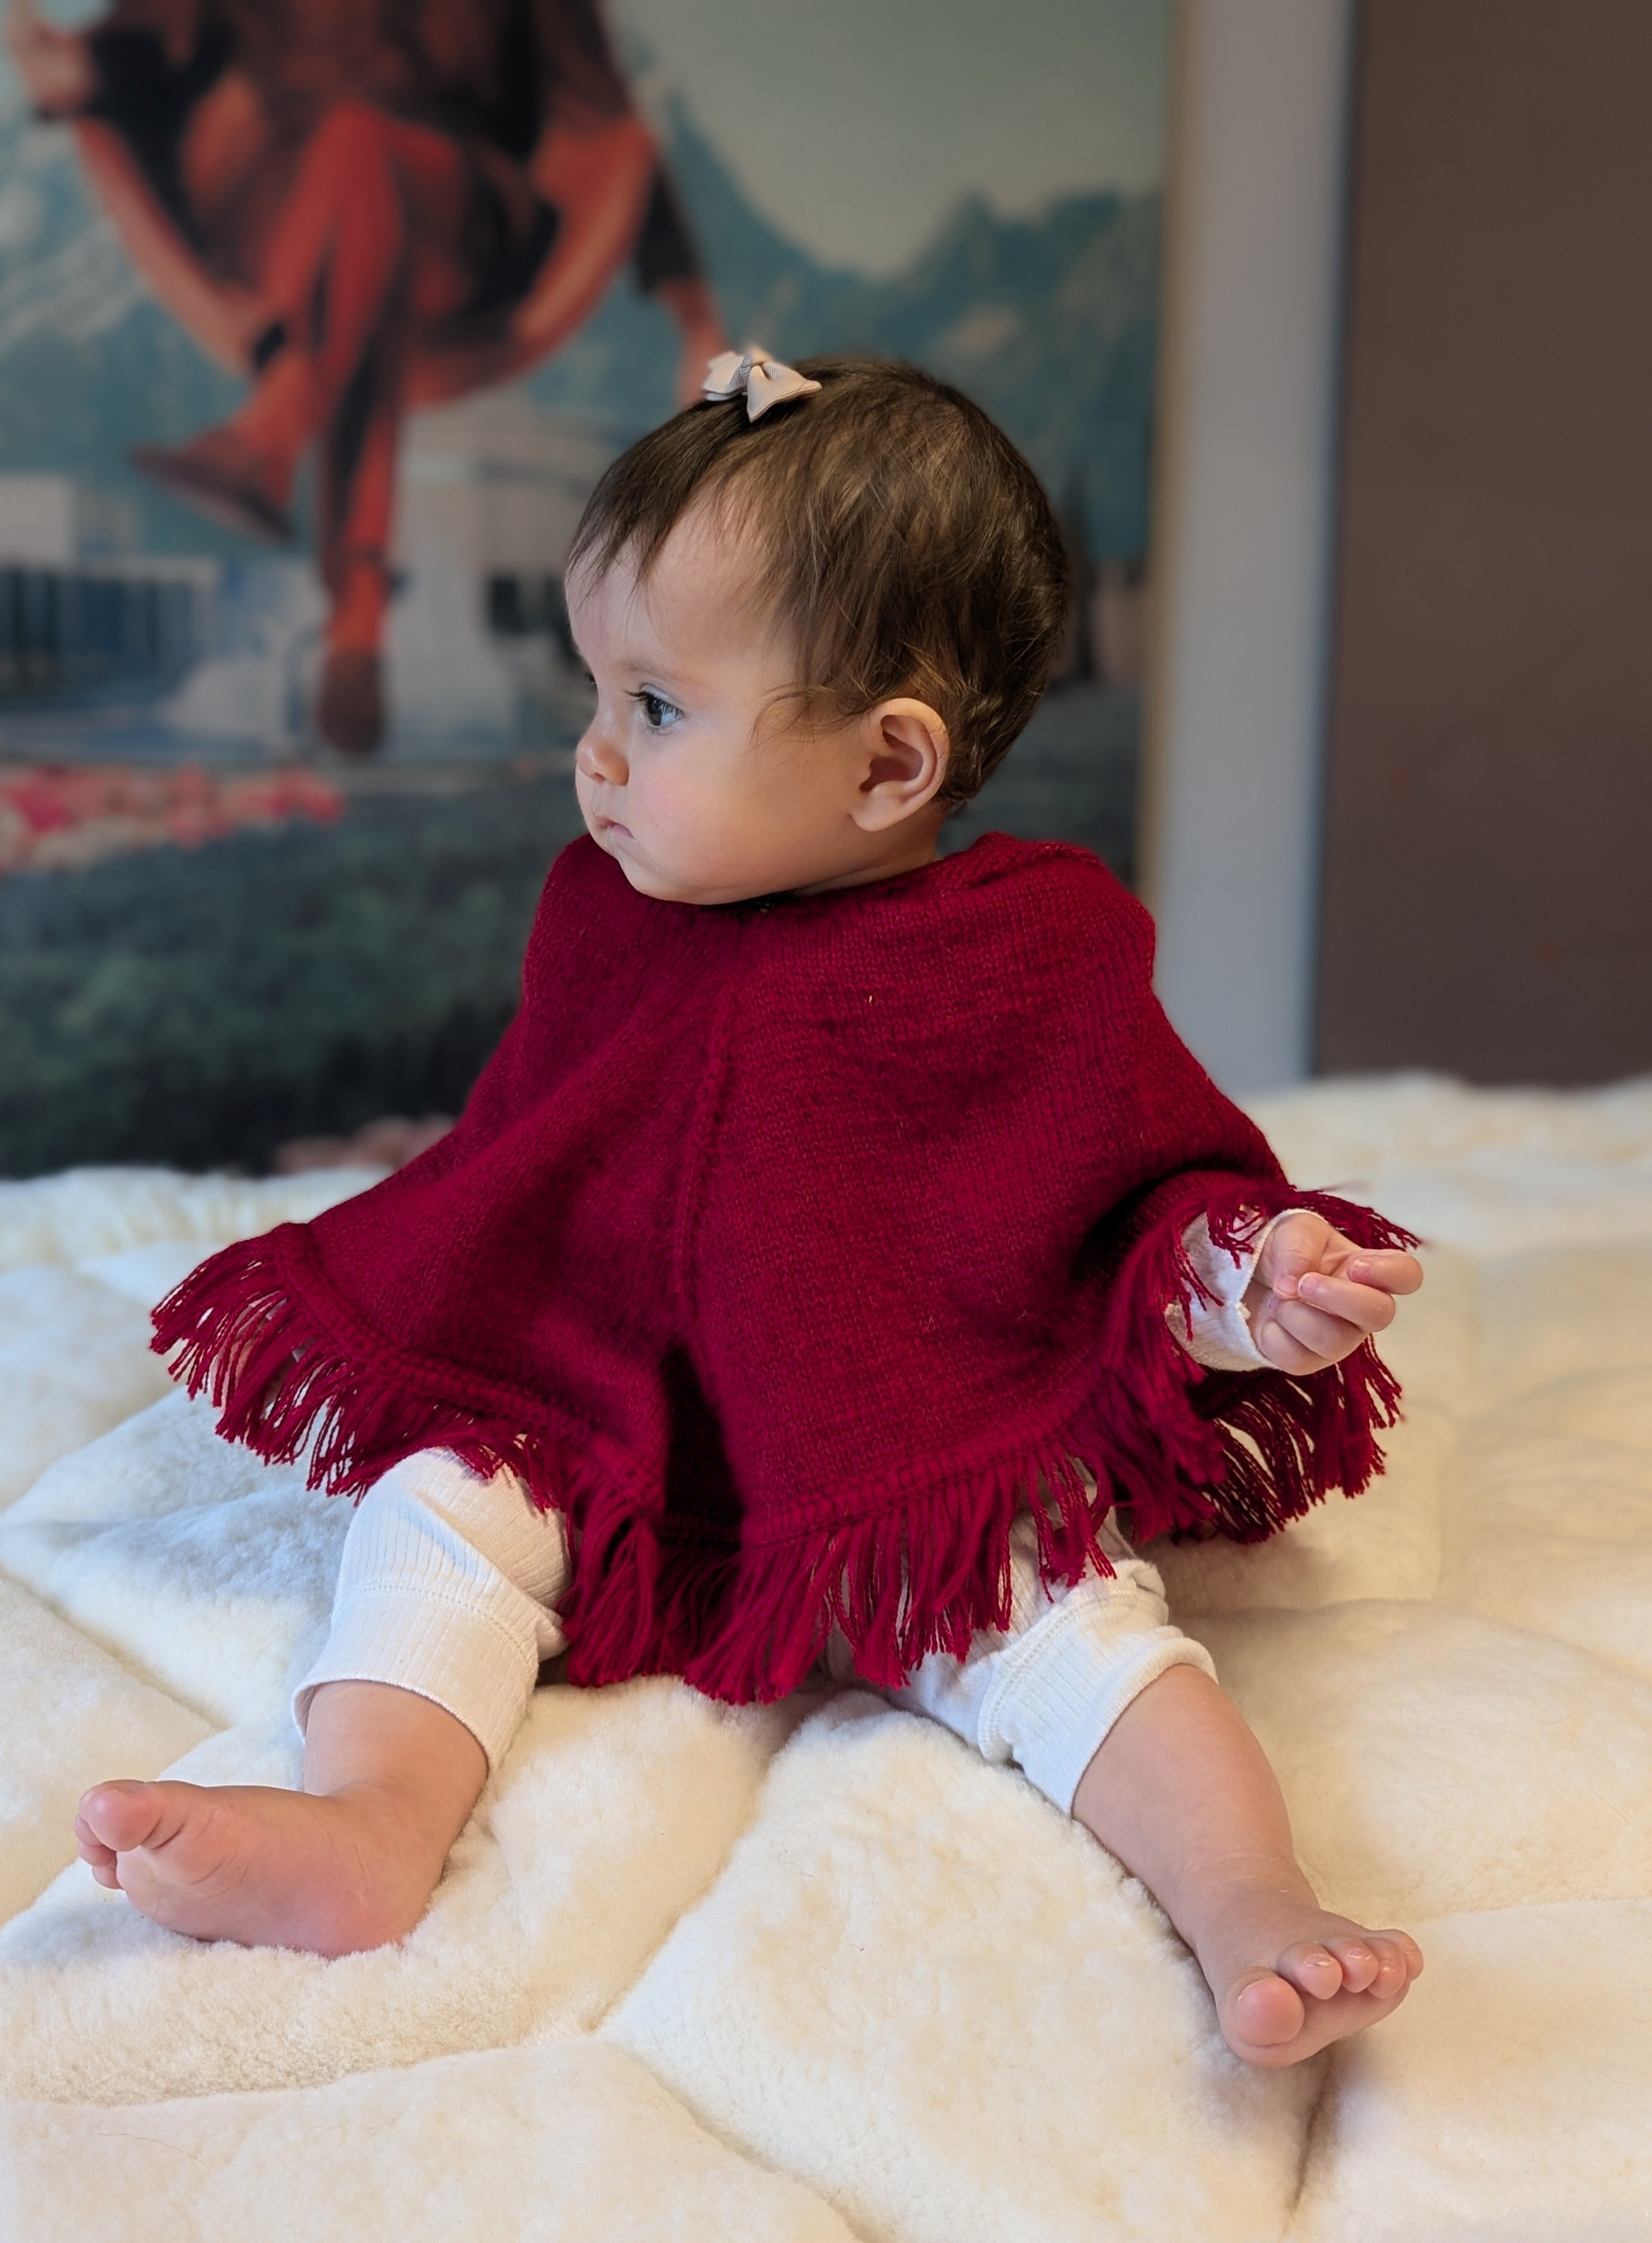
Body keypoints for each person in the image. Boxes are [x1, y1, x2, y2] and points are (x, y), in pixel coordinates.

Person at [75, 356, 1425, 2069]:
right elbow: (540, 1180)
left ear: (887, 766)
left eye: (658, 705)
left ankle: (1253, 1898)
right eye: (596, 690)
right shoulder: (606, 919)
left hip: (905, 1447)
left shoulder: (1032, 952)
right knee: (441, 1513)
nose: (595, 754)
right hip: (611, 1426)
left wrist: (1253, 1282)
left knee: (1074, 1629)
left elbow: (1126, 1208)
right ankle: (366, 1821)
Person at [2, 0, 725, 755]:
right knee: (357, 265)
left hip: (459, 220)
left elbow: (612, 139)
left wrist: (692, 313)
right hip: (282, 223)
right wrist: (81, 73)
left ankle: (277, 432)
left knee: (357, 151)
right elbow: (161, 54)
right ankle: (355, 621)